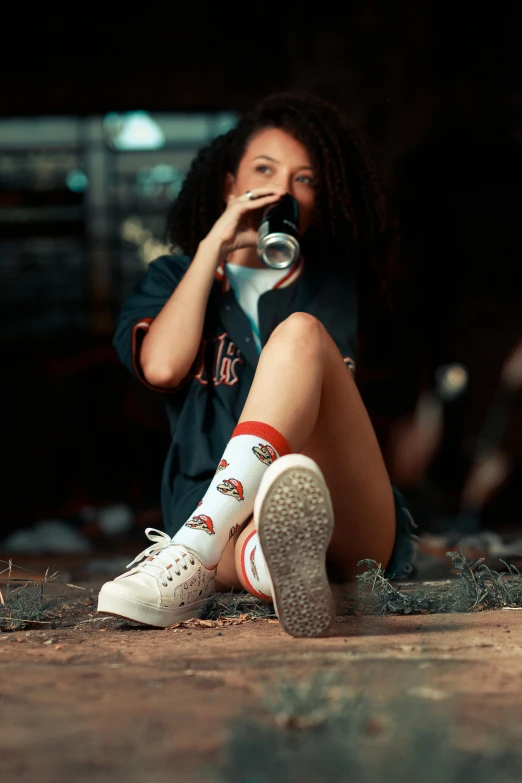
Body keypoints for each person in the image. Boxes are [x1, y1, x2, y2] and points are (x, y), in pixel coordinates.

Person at [97, 91, 419, 637]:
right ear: (230, 186)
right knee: (265, 537)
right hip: (218, 515)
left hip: (346, 514)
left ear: (321, 199)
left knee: (298, 336)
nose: (284, 190)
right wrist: (213, 245)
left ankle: (192, 554)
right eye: (265, 170)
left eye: (306, 179)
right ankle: (271, 565)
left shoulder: (332, 285)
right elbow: (162, 369)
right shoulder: (173, 278)